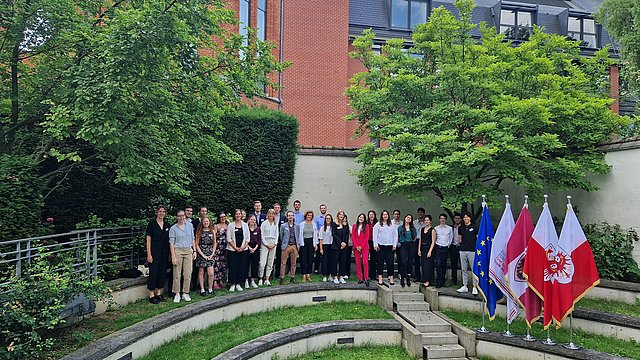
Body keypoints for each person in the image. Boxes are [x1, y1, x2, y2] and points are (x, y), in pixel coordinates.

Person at [169, 210, 196, 303]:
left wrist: (195, 250)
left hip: (188, 250)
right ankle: (177, 293)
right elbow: (171, 243)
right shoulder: (173, 228)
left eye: (182, 216)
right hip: (178, 251)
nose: (181, 217)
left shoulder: (190, 225)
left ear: (185, 216)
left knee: (188, 273)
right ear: (177, 217)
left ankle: (185, 292)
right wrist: (173, 256)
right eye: (179, 216)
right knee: (177, 274)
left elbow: (193, 238)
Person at [146, 206, 170, 304]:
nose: (161, 213)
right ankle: (151, 295)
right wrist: (149, 254)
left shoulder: (167, 224)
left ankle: (159, 293)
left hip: (164, 252)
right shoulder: (152, 224)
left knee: (162, 272)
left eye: (163, 212)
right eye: (160, 211)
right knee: (154, 272)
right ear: (156, 212)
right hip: (154, 252)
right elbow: (148, 240)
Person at [226, 209, 250, 292]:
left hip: (243, 250)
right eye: (236, 214)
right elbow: (228, 238)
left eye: (239, 214)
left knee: (241, 266)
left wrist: (242, 247)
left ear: (241, 215)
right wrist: (235, 248)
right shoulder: (230, 225)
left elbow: (248, 238)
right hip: (232, 250)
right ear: (234, 215)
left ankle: (239, 283)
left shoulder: (245, 225)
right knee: (233, 266)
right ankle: (232, 284)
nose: (238, 215)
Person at [373, 210, 398, 286]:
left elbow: (395, 235)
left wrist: (394, 244)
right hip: (381, 246)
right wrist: (375, 244)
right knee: (380, 262)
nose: (385, 216)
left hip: (390, 246)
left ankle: (391, 277)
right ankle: (380, 278)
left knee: (390, 262)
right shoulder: (378, 224)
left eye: (386, 214)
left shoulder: (392, 225)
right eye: (383, 214)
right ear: (381, 216)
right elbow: (375, 235)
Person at [457, 212, 478, 295]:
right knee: (464, 269)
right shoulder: (461, 228)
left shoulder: (475, 227)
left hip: (472, 250)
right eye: (464, 217)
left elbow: (477, 238)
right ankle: (465, 285)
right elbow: (460, 239)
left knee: (473, 269)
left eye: (467, 217)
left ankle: (475, 286)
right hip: (463, 250)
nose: (466, 218)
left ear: (470, 218)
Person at [195, 217, 217, 296]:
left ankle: (210, 288)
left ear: (209, 222)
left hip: (210, 254)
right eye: (204, 221)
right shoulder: (199, 232)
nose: (206, 223)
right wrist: (203, 255)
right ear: (202, 222)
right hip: (202, 253)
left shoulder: (212, 231)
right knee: (201, 272)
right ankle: (202, 289)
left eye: (207, 221)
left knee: (211, 273)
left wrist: (212, 254)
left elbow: (215, 243)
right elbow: (196, 244)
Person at [259, 209, 279, 286]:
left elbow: (277, 234)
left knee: (270, 262)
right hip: (265, 243)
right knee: (262, 263)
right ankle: (260, 278)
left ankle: (267, 278)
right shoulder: (264, 223)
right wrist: (266, 244)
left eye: (272, 214)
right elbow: (262, 235)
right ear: (267, 215)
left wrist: (274, 244)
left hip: (273, 243)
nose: (271, 215)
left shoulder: (275, 224)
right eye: (269, 214)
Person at [279, 211, 301, 284]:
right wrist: (284, 244)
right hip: (286, 246)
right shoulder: (283, 226)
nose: (290, 217)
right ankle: (282, 278)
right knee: (283, 263)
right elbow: (281, 236)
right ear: (287, 217)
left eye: (292, 215)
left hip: (294, 246)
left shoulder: (297, 226)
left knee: (293, 263)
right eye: (289, 215)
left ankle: (292, 277)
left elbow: (298, 236)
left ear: (293, 216)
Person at [397, 214, 417, 288]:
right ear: (405, 218)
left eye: (410, 218)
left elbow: (415, 237)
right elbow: (398, 237)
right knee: (403, 261)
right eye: (407, 217)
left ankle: (408, 277)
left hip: (411, 245)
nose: (409, 219)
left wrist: (411, 242)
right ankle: (402, 277)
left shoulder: (413, 228)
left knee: (410, 261)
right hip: (403, 245)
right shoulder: (400, 228)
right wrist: (402, 242)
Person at [298, 210, 318, 282]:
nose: (309, 216)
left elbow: (315, 234)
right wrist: (299, 244)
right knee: (303, 259)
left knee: (310, 259)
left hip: (311, 242)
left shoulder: (314, 224)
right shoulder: (302, 224)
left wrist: (315, 244)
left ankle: (308, 275)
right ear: (306, 216)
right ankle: (304, 275)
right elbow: (300, 235)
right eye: (308, 215)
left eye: (311, 215)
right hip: (303, 242)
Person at [434, 213, 453, 288]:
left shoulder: (449, 228)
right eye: (441, 218)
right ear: (439, 219)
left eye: (444, 218)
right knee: (438, 264)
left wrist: (448, 245)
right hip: (438, 247)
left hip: (445, 248)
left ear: (445, 219)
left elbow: (451, 238)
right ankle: (438, 280)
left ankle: (443, 280)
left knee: (444, 264)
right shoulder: (436, 228)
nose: (442, 220)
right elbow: (435, 238)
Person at [317, 214, 338, 283]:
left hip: (332, 246)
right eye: (327, 218)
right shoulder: (322, 228)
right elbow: (320, 239)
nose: (328, 220)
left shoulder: (333, 228)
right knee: (325, 261)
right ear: (325, 220)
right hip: (325, 246)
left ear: (331, 219)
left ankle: (330, 275)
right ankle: (325, 275)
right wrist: (321, 249)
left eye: (329, 218)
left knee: (332, 261)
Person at [351, 213, 370, 286]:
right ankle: (360, 278)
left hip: (364, 247)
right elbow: (353, 237)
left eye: (362, 217)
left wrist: (361, 246)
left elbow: (367, 237)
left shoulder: (366, 226)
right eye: (360, 217)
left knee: (365, 262)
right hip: (356, 248)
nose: (361, 218)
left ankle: (366, 278)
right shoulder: (354, 226)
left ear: (364, 219)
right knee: (358, 263)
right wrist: (356, 246)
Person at [418, 215, 436, 287]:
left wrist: (430, 251)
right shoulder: (422, 229)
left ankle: (428, 280)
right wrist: (419, 249)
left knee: (428, 265)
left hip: (429, 248)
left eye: (428, 220)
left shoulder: (432, 230)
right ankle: (424, 279)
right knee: (423, 265)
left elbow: (433, 241)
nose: (426, 221)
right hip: (423, 248)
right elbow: (420, 239)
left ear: (430, 221)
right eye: (425, 220)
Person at [213, 212, 229, 289]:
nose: (223, 218)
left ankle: (221, 281)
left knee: (223, 265)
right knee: (216, 265)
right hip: (218, 247)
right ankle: (215, 281)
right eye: (221, 217)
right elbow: (214, 237)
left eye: (224, 216)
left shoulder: (228, 225)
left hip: (225, 247)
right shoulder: (216, 226)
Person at [334, 210, 350, 283]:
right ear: (338, 215)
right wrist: (340, 243)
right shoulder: (334, 224)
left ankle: (341, 276)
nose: (341, 216)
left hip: (344, 246)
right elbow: (334, 234)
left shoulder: (346, 224)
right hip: (336, 246)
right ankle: (335, 277)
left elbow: (347, 235)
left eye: (342, 215)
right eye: (340, 214)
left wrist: (344, 243)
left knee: (343, 261)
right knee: (335, 261)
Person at [245, 215, 261, 289]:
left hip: (255, 248)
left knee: (254, 265)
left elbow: (259, 240)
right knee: (246, 265)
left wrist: (254, 248)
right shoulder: (246, 228)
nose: (253, 221)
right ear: (249, 220)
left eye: (254, 220)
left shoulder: (258, 229)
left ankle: (253, 280)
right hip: (247, 247)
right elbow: (245, 239)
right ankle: (246, 281)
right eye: (251, 219)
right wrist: (249, 248)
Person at [273, 203, 287, 278]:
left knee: (279, 257)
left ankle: (277, 273)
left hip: (280, 240)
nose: (277, 209)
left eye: (278, 208)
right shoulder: (270, 217)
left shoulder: (283, 217)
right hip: (272, 239)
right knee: (271, 257)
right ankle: (270, 274)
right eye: (275, 208)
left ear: (280, 209)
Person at [412, 207, 426, 282]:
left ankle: (425, 277)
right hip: (416, 241)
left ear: (424, 213)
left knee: (424, 260)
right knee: (416, 260)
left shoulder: (426, 222)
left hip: (424, 242)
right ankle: (417, 276)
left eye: (421, 212)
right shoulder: (414, 223)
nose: (420, 213)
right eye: (419, 212)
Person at [313, 204, 327, 274]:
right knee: (318, 255)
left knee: (326, 254)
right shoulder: (317, 218)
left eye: (324, 208)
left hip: (327, 239)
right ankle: (316, 269)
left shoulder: (328, 218)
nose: (323, 209)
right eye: (322, 208)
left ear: (326, 209)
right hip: (319, 239)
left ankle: (325, 269)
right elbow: (316, 229)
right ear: (320, 210)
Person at [449, 213, 462, 286]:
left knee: (462, 265)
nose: (457, 220)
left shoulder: (463, 227)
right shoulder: (451, 227)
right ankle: (454, 281)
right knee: (453, 265)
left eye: (458, 218)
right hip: (453, 247)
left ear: (461, 219)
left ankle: (463, 281)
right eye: (455, 218)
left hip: (460, 247)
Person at [367, 210, 378, 281]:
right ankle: (366, 274)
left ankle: (373, 275)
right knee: (366, 259)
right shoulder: (366, 223)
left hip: (374, 242)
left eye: (372, 214)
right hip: (367, 242)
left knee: (374, 259)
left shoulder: (377, 223)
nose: (371, 216)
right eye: (370, 214)